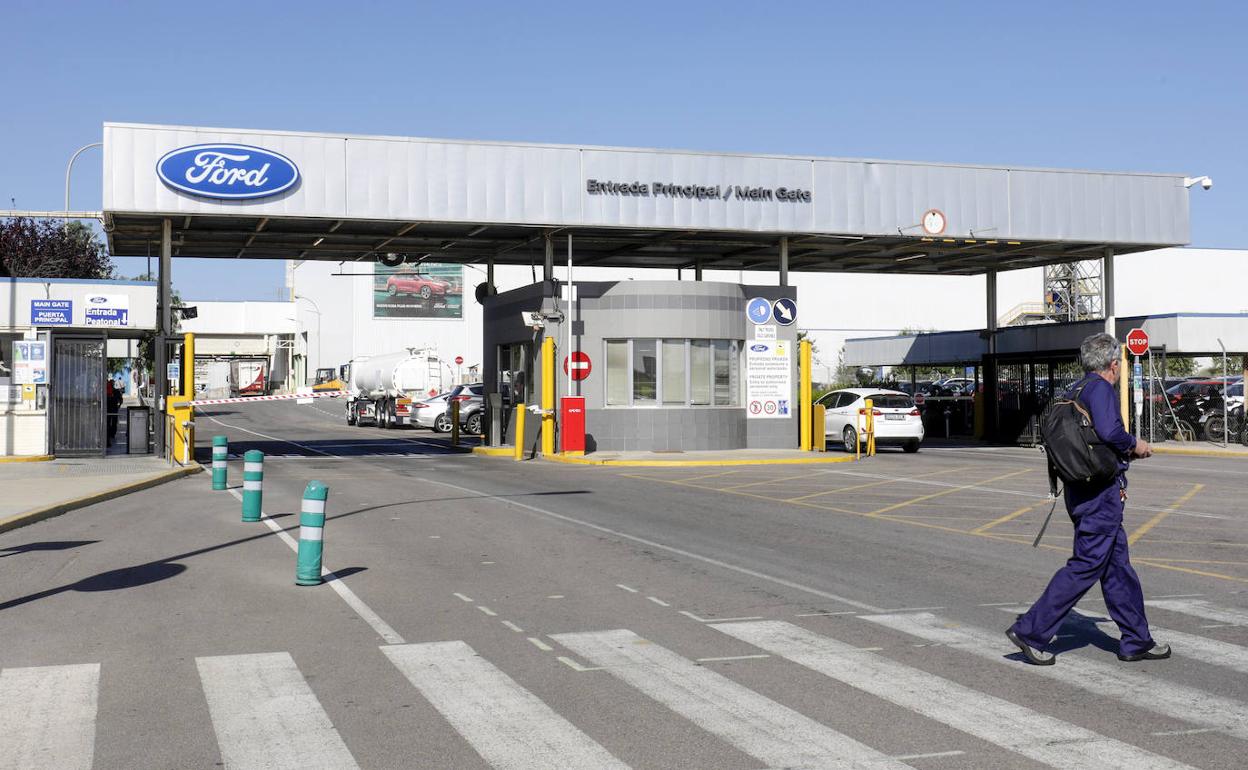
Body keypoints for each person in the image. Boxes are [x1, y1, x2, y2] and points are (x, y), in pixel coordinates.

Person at [1006, 332, 1170, 665]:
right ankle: (1031, 630)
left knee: (1117, 567)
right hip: (1100, 495)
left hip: (1080, 489)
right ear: (1113, 364)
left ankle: (1136, 640)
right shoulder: (1100, 389)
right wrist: (1135, 445)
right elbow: (1110, 433)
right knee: (1086, 565)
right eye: (1119, 364)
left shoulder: (1074, 390)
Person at [106, 378, 123, 447]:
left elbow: (120, 400)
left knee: (113, 422)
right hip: (109, 409)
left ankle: (112, 434)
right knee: (109, 422)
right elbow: (120, 400)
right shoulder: (106, 391)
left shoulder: (116, 391)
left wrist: (119, 405)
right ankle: (110, 435)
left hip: (113, 409)